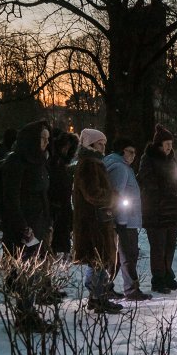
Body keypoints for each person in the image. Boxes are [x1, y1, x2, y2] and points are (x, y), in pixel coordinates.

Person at [0, 120, 54, 330]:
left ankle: (29, 313)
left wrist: (48, 222)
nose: (46, 143)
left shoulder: (39, 162)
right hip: (22, 229)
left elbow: (43, 196)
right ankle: (25, 316)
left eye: (48, 139)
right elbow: (11, 199)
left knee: (32, 273)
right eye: (42, 138)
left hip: (38, 226)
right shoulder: (16, 163)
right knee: (24, 274)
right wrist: (23, 226)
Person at [72, 128, 122, 314]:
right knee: (99, 259)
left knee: (99, 260)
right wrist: (112, 197)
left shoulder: (93, 162)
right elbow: (93, 193)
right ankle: (98, 297)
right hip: (94, 221)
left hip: (98, 219)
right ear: (90, 144)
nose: (103, 147)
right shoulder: (89, 164)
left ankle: (96, 297)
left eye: (104, 143)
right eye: (100, 143)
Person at [138, 124, 177, 294]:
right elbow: (147, 181)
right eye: (166, 143)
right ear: (158, 144)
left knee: (169, 247)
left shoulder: (172, 160)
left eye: (170, 143)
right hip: (156, 212)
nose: (169, 147)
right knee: (158, 248)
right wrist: (164, 189)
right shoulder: (148, 159)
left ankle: (168, 277)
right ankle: (158, 280)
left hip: (171, 211)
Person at [104, 137, 151, 301]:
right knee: (128, 256)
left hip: (123, 220)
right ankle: (131, 289)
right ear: (121, 151)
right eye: (130, 152)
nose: (133, 156)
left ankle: (106, 287)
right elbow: (118, 196)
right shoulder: (120, 168)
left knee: (118, 257)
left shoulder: (119, 166)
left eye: (135, 153)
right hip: (125, 221)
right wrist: (122, 221)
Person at [48, 130, 79, 257]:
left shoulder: (63, 164)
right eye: (65, 146)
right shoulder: (53, 163)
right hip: (54, 207)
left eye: (69, 147)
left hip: (63, 207)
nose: (66, 149)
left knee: (60, 241)